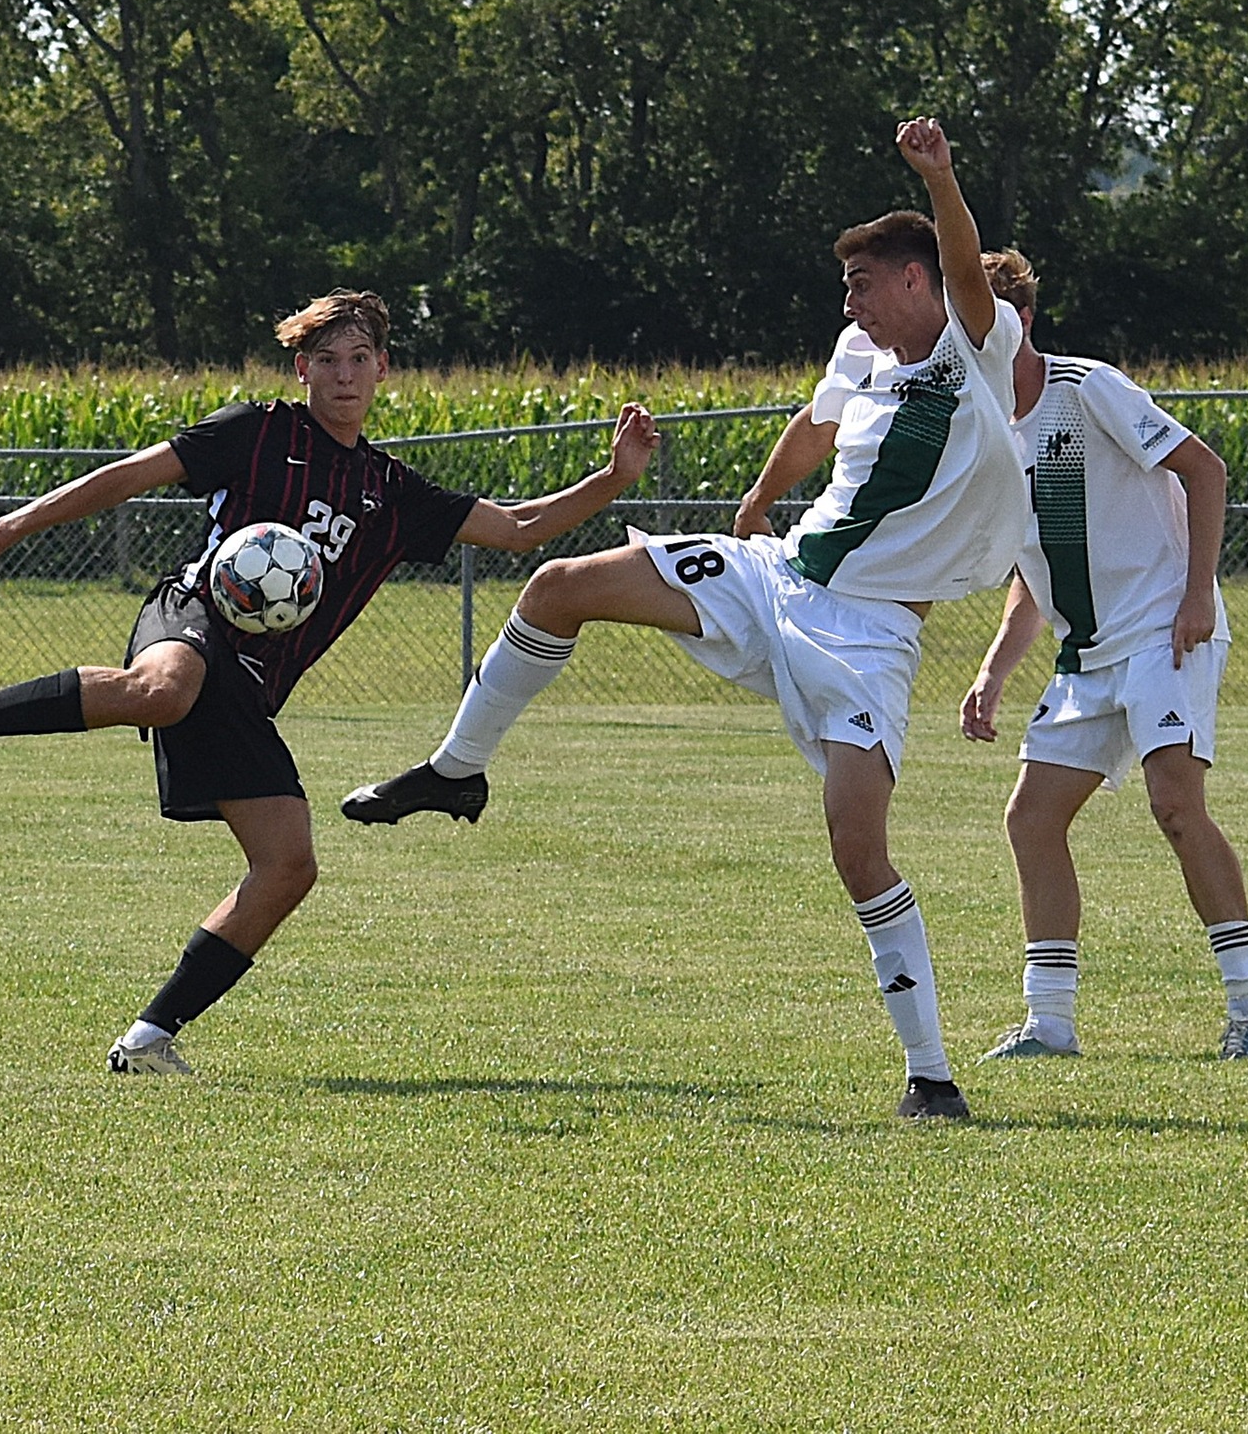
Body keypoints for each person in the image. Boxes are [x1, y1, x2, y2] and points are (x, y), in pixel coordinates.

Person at [343, 119, 1029, 1120]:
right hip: (778, 577)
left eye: (864, 281)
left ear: (917, 281)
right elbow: (815, 424)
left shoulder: (972, 342)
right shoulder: (859, 349)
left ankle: (931, 1076)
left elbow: (966, 260)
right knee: (559, 586)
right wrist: (756, 504)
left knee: (857, 850)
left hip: (869, 635)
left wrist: (942, 178)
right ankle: (456, 770)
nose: (850, 299)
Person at [0, 289, 661, 1076]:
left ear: (383, 371)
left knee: (288, 865)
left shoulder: (390, 492)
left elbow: (518, 529)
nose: (342, 375)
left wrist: (616, 479)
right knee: (162, 689)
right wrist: (5, 528)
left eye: (359, 359)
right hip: (189, 617)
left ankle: (147, 1037)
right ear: (303, 370)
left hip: (252, 684)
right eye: (326, 359)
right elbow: (127, 475)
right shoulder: (256, 434)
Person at [959, 251, 1248, 1061]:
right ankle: (1051, 1022)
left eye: (984, 324)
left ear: (1021, 324)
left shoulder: (1085, 387)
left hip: (1162, 633)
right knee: (1031, 818)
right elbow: (1037, 568)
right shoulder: (985, 430)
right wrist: (995, 669)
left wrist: (1197, 593)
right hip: (1087, 656)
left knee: (1175, 804)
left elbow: (1203, 470)